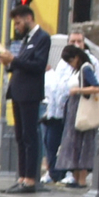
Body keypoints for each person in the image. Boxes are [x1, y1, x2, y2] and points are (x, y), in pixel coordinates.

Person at [0, 0, 51, 193]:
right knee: (20, 137)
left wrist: (14, 60)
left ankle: (30, 179)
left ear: (28, 18)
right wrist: (9, 63)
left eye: (18, 22)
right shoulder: (26, 40)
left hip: (30, 93)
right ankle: (21, 176)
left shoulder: (42, 38)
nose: (16, 26)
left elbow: (38, 66)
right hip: (18, 91)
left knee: (29, 137)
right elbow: (21, 65)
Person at [54, 42, 99, 188]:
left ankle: (81, 178)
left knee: (82, 142)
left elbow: (96, 87)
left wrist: (78, 91)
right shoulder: (76, 71)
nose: (70, 65)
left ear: (76, 57)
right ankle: (75, 178)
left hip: (81, 108)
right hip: (73, 109)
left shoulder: (86, 68)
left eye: (70, 61)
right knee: (73, 143)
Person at [40, 48, 74, 183]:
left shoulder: (56, 73)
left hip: (64, 110)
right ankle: (52, 171)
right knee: (49, 142)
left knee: (64, 142)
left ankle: (66, 172)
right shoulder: (59, 68)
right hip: (51, 111)